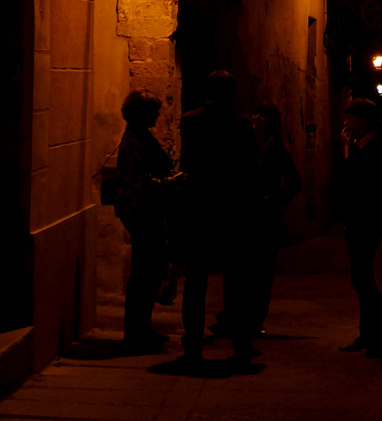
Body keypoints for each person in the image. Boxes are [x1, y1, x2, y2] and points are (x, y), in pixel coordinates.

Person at [177, 70, 260, 369]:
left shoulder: (189, 121)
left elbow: (187, 165)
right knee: (236, 283)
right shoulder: (241, 125)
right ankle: (240, 343)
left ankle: (192, 343)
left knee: (195, 281)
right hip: (232, 212)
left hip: (200, 210)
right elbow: (251, 170)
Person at [336, 97, 382, 361]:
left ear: (362, 120)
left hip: (369, 218)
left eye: (350, 117)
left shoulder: (376, 146)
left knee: (362, 276)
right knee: (361, 275)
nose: (346, 122)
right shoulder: (361, 145)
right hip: (358, 217)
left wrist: (347, 151)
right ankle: (368, 333)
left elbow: (357, 179)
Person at [114, 89, 172, 351]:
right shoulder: (136, 141)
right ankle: (136, 332)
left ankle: (142, 328)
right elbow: (140, 182)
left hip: (145, 211)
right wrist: (170, 183)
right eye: (154, 112)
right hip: (142, 212)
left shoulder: (139, 137)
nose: (158, 116)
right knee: (144, 272)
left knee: (149, 270)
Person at [250, 103, 302, 336]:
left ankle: (256, 318)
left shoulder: (278, 149)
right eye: (255, 114)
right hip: (248, 214)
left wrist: (276, 199)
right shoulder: (248, 145)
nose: (255, 118)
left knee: (262, 271)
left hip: (266, 216)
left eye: (260, 116)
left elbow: (295, 181)